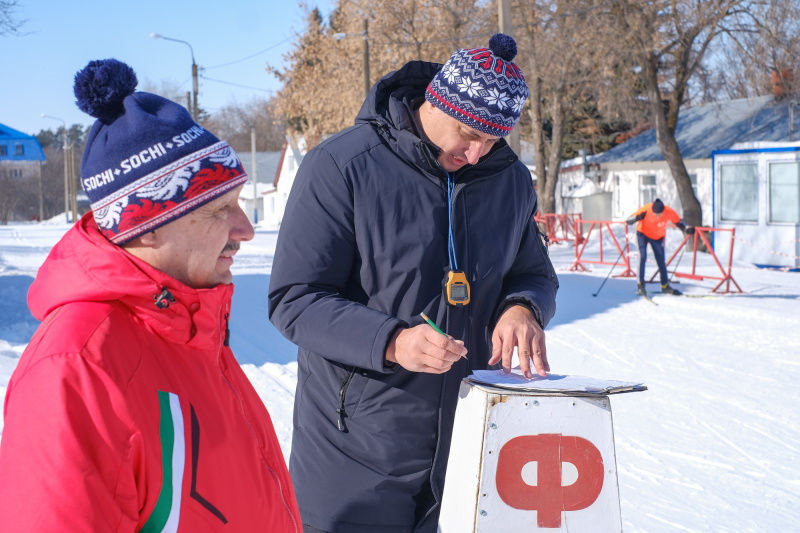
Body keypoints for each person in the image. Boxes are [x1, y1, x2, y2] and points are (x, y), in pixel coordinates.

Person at [268, 34, 559, 532]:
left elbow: (531, 271)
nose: (475, 154)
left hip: (470, 444)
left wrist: (522, 308)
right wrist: (391, 341)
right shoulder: (343, 166)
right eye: (469, 134)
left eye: (492, 140)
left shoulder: (508, 178)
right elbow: (295, 299)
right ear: (436, 102)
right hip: (353, 452)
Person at [0, 59, 301, 532]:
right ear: (146, 230)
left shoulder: (187, 326)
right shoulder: (77, 367)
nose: (245, 229)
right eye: (220, 209)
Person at [626, 198, 695, 296]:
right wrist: (638, 218)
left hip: (657, 237)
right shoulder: (646, 209)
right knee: (642, 257)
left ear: (663, 211)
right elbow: (628, 220)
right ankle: (641, 285)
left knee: (661, 261)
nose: (657, 216)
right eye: (655, 213)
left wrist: (687, 229)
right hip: (642, 234)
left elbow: (679, 222)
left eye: (659, 214)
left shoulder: (669, 211)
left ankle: (665, 286)